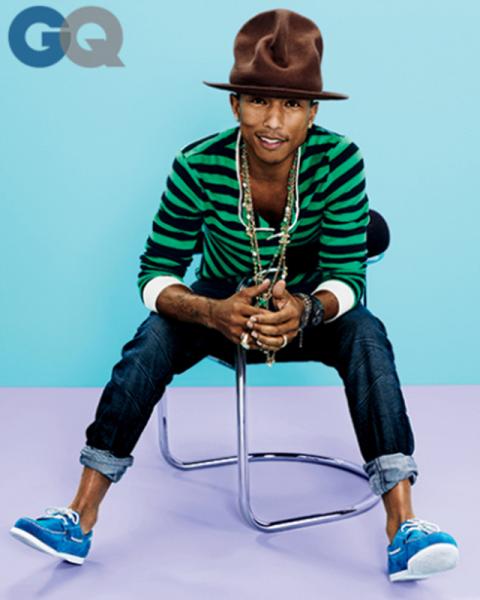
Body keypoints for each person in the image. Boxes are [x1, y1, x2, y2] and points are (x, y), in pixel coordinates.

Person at [10, 8, 458, 582]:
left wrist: (306, 310)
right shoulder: (197, 165)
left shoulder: (340, 160)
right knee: (150, 341)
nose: (273, 121)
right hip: (220, 301)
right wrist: (210, 311)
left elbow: (348, 275)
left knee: (368, 335)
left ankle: (405, 529)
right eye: (258, 101)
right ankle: (78, 515)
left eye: (292, 104)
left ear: (313, 111)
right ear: (234, 104)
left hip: (308, 302)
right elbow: (155, 272)